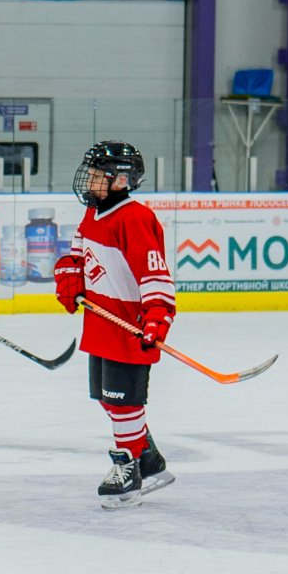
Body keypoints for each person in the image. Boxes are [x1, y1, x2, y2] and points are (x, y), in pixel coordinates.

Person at [54, 141, 177, 508]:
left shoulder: (135, 218)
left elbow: (155, 275)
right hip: (100, 323)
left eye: (97, 175)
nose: (89, 181)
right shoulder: (93, 213)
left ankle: (129, 469)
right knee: (107, 399)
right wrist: (70, 275)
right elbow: (78, 251)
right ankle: (148, 458)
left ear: (121, 180)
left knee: (124, 403)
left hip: (128, 327)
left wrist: (157, 317)